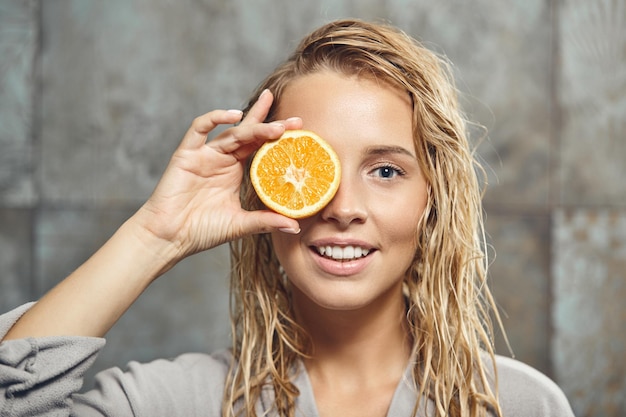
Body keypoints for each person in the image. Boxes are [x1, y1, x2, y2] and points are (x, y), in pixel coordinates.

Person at [0, 19, 574, 417]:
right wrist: (156, 234)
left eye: (385, 171)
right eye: (310, 170)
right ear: (260, 190)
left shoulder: (517, 405)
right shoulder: (173, 402)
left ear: (433, 200)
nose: (343, 208)